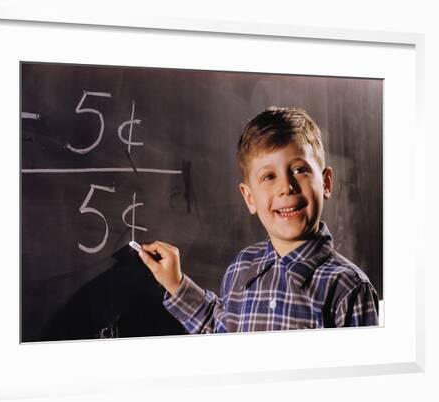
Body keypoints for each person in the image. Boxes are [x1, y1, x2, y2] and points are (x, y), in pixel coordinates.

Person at [138, 106, 379, 333]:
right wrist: (176, 283)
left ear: (326, 182)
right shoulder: (241, 268)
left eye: (299, 170)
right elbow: (222, 333)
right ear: (250, 197)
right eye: (269, 176)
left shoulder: (349, 288)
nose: (286, 187)